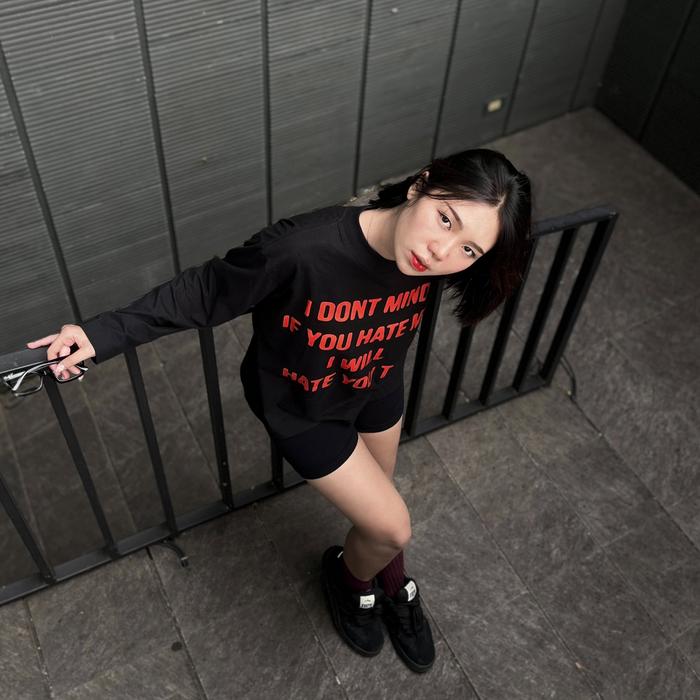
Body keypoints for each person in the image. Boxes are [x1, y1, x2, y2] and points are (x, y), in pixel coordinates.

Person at [26, 147, 533, 673]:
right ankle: (352, 581)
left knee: (379, 509)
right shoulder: (301, 248)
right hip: (302, 406)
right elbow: (207, 289)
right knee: (392, 527)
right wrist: (101, 334)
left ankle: (388, 578)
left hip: (376, 383)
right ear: (419, 185)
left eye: (468, 249)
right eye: (445, 218)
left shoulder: (428, 259)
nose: (440, 251)